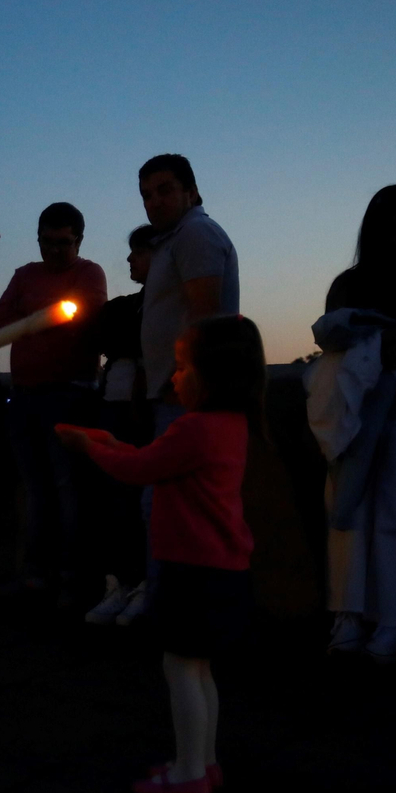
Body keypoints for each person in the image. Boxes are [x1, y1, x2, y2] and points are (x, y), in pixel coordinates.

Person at [57, 315, 264, 793]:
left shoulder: (195, 427)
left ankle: (189, 774)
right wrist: (113, 444)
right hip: (222, 571)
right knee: (200, 670)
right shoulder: (230, 425)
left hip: (191, 572)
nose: (172, 377)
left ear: (211, 374)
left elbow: (138, 470)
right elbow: (155, 461)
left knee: (179, 669)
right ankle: (203, 763)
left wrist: (90, 446)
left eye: (180, 366)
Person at [313, 186, 396, 662]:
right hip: (357, 404)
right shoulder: (349, 282)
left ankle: (394, 622)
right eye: (394, 230)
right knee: (349, 511)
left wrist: (376, 346)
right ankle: (348, 617)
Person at [135, 153, 241, 607]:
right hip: (177, 394)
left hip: (189, 398)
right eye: (146, 195)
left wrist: (187, 379)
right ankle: (177, 611)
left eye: (164, 190)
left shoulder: (195, 234)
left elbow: (206, 312)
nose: (153, 202)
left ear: (191, 191)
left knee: (170, 512)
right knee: (166, 510)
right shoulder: (175, 240)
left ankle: (179, 615)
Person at [0, 201, 108, 604]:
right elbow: (1, 321)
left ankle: (70, 575)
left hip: (69, 395)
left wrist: (34, 320)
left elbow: (84, 318)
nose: (54, 250)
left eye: (62, 243)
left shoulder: (89, 274)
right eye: (47, 242)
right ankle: (36, 575)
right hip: (25, 396)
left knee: (68, 489)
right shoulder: (25, 275)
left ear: (78, 241)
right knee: (37, 490)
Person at [83, 224, 158, 624]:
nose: (130, 259)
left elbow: (127, 340)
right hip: (113, 405)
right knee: (114, 501)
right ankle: (119, 584)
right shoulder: (125, 307)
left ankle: (143, 585)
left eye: (138, 252)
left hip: (141, 410)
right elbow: (104, 336)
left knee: (140, 503)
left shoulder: (159, 306)